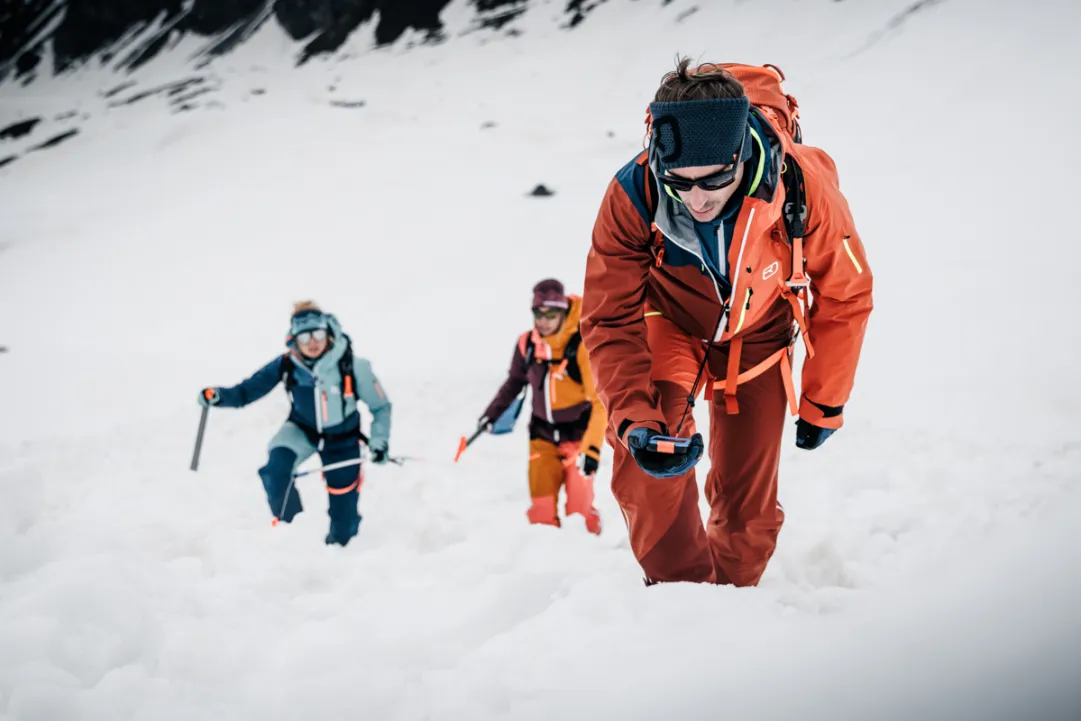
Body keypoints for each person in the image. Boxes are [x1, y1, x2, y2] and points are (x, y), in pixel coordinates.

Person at [580, 60, 873, 586]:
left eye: (714, 178)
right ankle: (679, 599)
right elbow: (608, 317)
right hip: (668, 320)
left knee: (750, 517)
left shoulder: (804, 186)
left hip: (760, 333)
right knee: (650, 453)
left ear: (741, 153)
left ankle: (735, 603)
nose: (697, 198)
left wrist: (825, 400)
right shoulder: (632, 193)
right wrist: (631, 417)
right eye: (679, 183)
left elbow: (845, 295)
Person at [198, 301, 392, 546]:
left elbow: (381, 407)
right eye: (305, 337)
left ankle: (340, 551)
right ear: (294, 340)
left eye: (318, 334)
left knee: (344, 522)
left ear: (328, 333)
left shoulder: (353, 366)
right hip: (301, 431)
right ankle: (293, 535)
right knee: (275, 473)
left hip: (343, 440)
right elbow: (246, 392)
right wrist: (218, 396)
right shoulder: (287, 364)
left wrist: (379, 442)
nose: (312, 342)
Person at [476, 279, 605, 534]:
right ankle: (543, 565)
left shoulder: (579, 346)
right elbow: (514, 383)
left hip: (577, 439)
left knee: (580, 513)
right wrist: (491, 415)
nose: (543, 320)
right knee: (541, 513)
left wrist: (591, 451)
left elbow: (600, 403)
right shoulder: (528, 345)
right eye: (538, 313)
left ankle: (591, 560)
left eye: (551, 314)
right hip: (541, 437)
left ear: (563, 312)